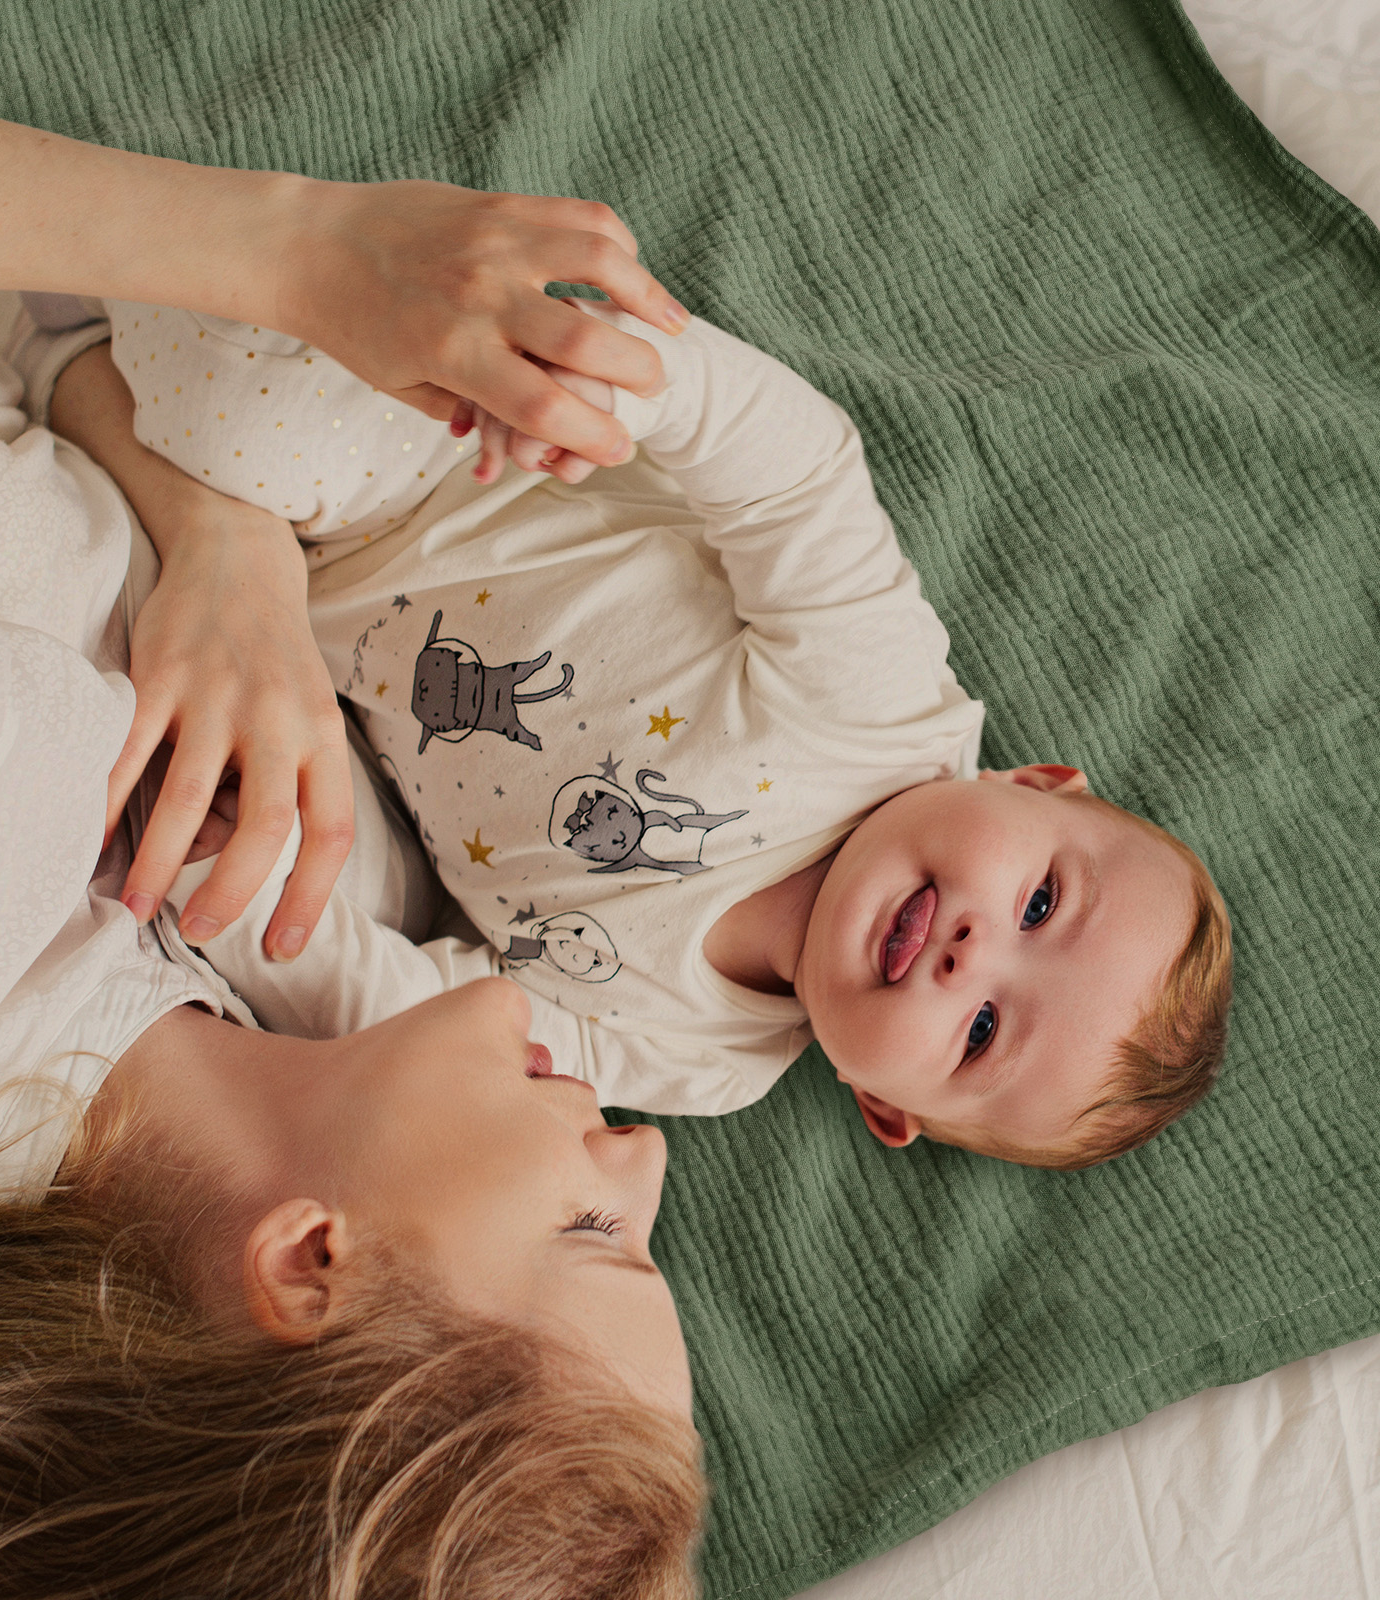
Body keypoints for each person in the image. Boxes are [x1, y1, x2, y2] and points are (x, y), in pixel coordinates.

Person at [0, 64, 704, 1596]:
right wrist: (227, 538)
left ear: (310, 1261)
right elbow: (25, 344)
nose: (649, 1154)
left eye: (599, 1232)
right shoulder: (338, 927)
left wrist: (300, 251)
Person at [67, 290, 1233, 1172]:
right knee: (244, 423)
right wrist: (626, 385)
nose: (970, 953)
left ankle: (75, 398)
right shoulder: (878, 710)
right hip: (443, 459)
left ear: (886, 1103)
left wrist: (248, 890)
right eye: (1039, 903)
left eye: (978, 1031)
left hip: (297, 645)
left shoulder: (702, 1060)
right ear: (1033, 782)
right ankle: (78, 324)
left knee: (144, 744)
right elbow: (796, 483)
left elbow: (441, 1021)